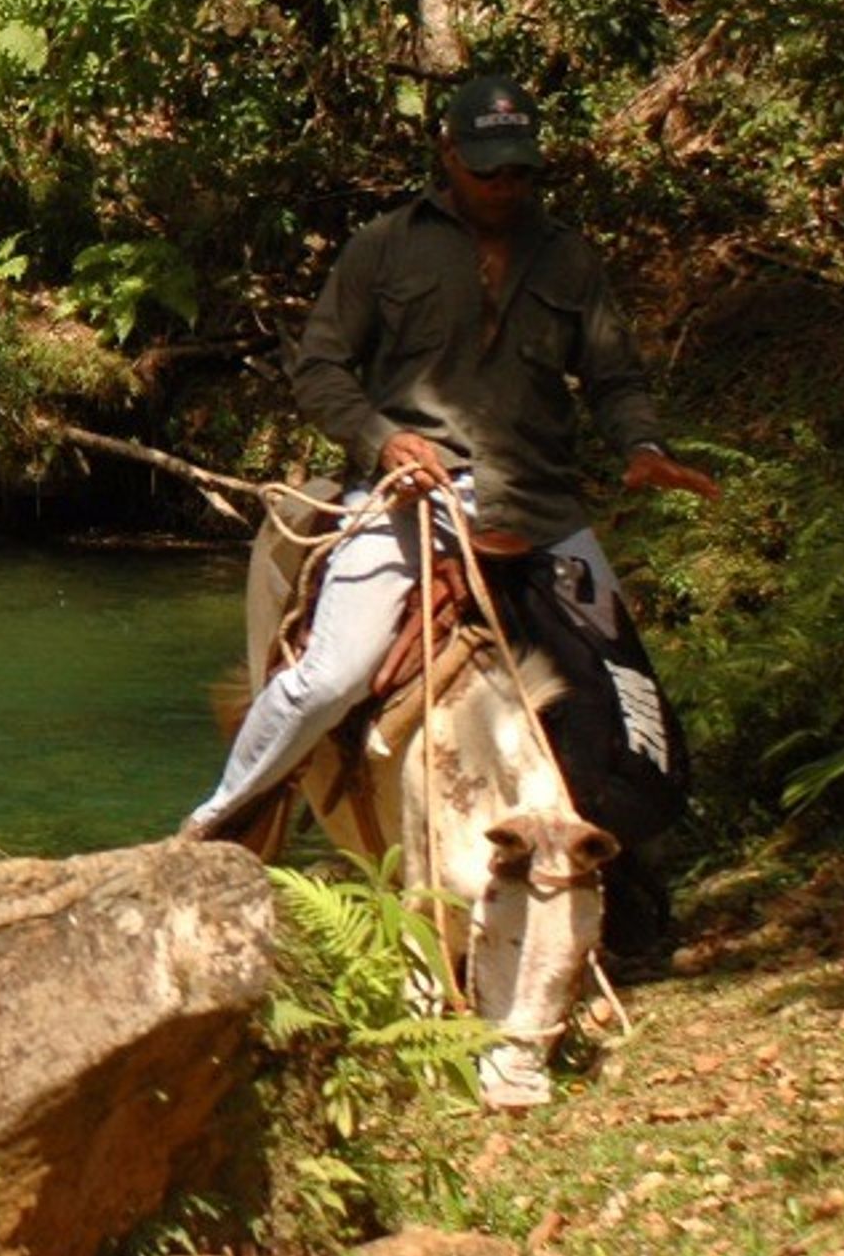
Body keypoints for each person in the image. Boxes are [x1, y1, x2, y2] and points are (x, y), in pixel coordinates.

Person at [188, 71, 719, 951]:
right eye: (488, 171)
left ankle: (618, 895)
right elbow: (320, 369)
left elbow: (615, 377)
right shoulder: (384, 248)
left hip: (540, 507)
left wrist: (642, 447)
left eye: (519, 171)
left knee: (631, 708)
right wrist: (381, 440)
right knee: (332, 675)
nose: (506, 187)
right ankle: (213, 826)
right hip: (412, 497)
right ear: (448, 155)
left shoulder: (569, 258)